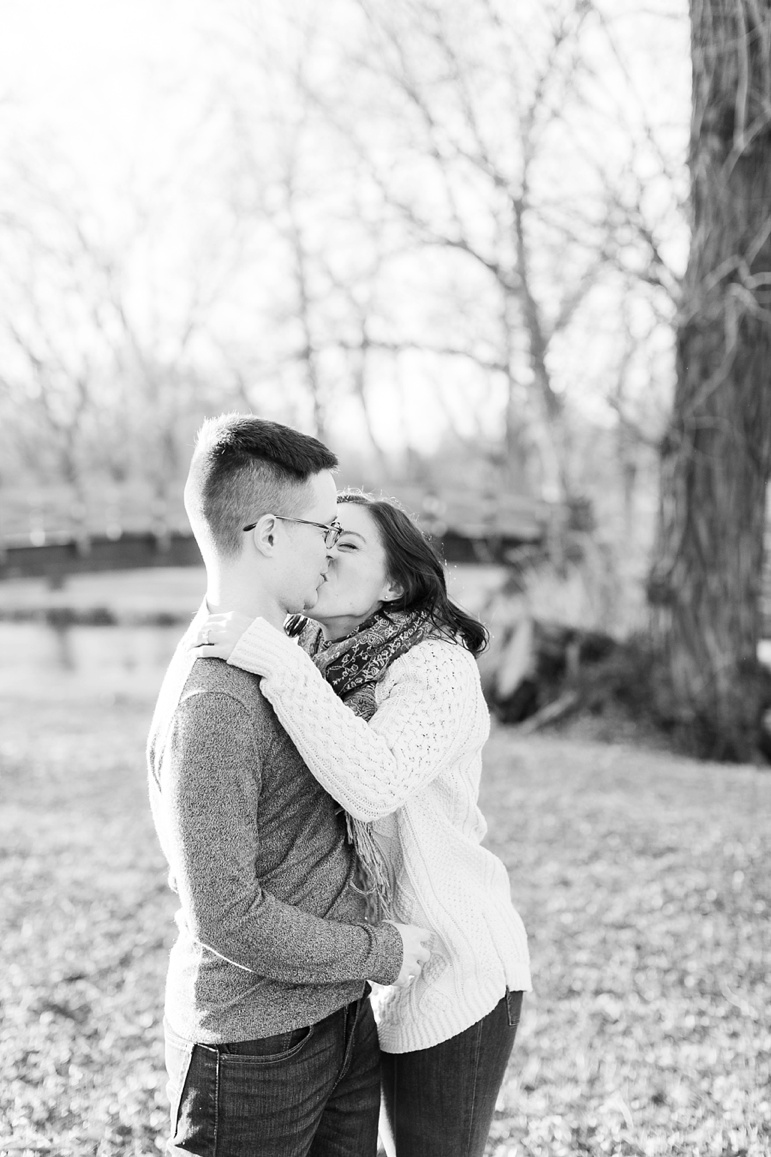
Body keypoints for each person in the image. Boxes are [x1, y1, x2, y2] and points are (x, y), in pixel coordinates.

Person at [195, 488, 532, 1157]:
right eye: (323, 537)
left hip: (457, 964)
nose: (325, 553)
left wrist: (279, 659)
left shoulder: (435, 665)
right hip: (379, 962)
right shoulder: (322, 653)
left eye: (346, 544)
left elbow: (372, 783)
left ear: (395, 582)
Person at [147, 416, 432, 1157]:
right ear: (269, 534)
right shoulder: (215, 700)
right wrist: (378, 951)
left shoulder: (290, 651)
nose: (333, 548)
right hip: (252, 1049)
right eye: (325, 527)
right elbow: (228, 917)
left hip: (339, 1018)